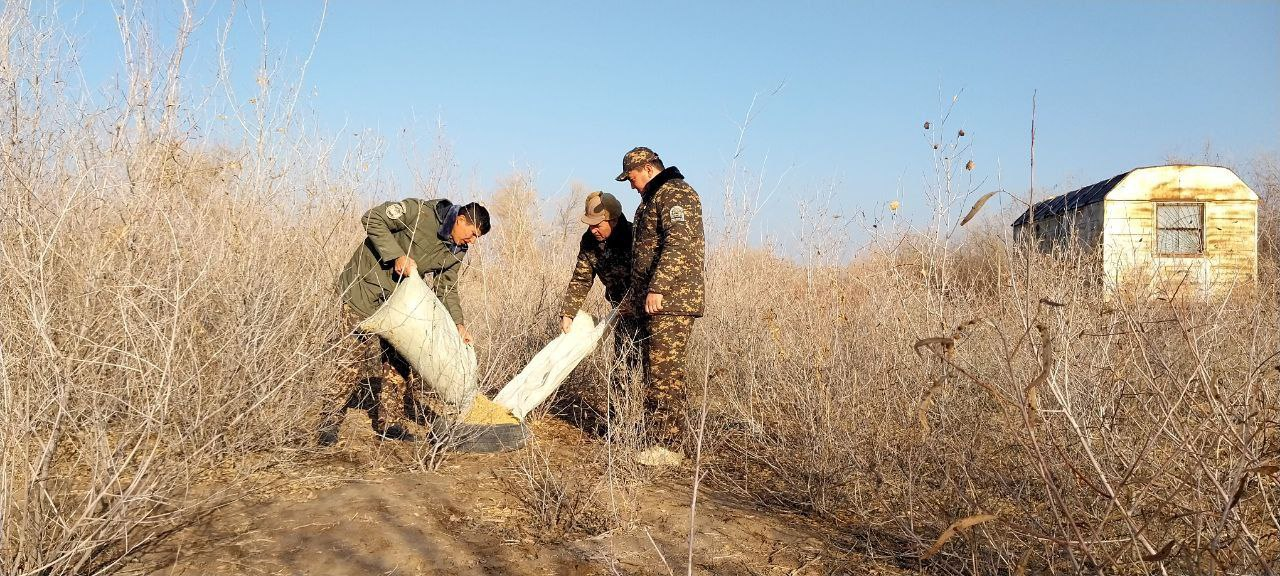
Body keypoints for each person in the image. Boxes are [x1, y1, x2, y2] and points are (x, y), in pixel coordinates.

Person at [318, 198, 490, 446]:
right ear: (461, 220)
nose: (472, 241)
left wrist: (458, 325)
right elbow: (372, 217)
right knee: (351, 360)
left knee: (399, 363)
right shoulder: (418, 212)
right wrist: (396, 255)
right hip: (364, 292)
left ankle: (390, 423)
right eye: (472, 234)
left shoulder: (457, 250)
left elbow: (447, 288)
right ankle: (329, 422)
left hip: (400, 306)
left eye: (477, 239)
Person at [615, 147, 705, 467]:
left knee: (665, 373)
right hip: (655, 300)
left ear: (647, 169)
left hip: (673, 299)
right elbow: (644, 256)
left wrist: (658, 288)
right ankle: (664, 436)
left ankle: (667, 446)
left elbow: (679, 243)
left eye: (632, 177)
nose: (631, 184)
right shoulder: (650, 201)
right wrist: (634, 295)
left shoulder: (675, 194)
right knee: (659, 371)